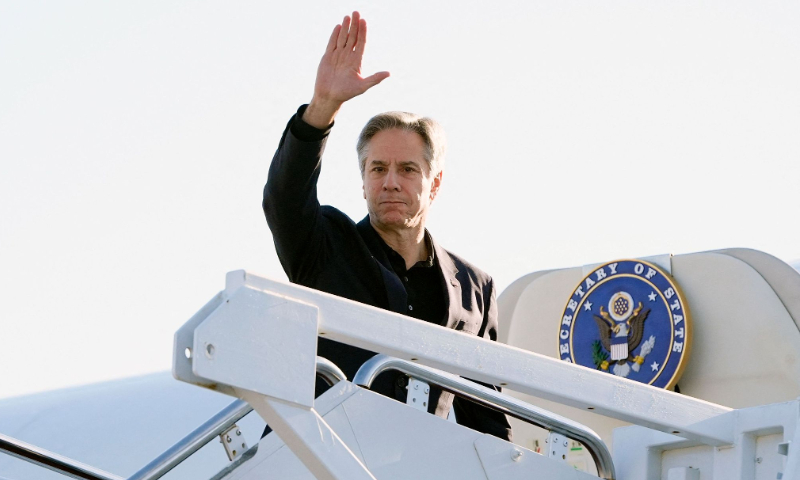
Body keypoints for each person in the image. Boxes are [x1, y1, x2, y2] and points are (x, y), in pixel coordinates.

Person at [263, 11, 512, 441]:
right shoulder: (324, 246)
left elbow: (485, 417)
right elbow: (284, 199)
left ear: (434, 183)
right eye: (377, 168)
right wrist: (323, 107)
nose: (390, 182)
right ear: (363, 182)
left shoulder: (476, 288)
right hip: (322, 459)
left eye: (407, 169)